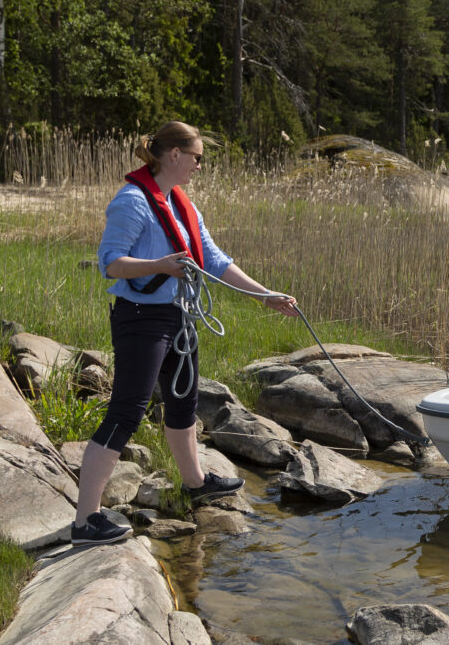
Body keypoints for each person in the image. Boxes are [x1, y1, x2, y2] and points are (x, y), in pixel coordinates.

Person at [71, 120, 301, 546]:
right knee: (126, 412)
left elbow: (213, 258)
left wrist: (265, 295)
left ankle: (196, 483)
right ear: (173, 155)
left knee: (183, 402)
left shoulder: (183, 205)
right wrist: (159, 265)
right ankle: (85, 521)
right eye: (197, 157)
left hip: (179, 318)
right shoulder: (133, 202)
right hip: (140, 317)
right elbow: (111, 263)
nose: (199, 165)